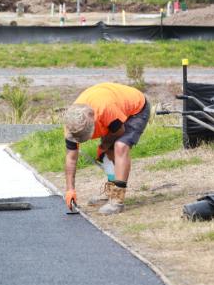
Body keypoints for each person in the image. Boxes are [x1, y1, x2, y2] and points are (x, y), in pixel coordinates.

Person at [64, 82, 150, 215]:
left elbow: (119, 131)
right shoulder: (71, 124)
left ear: (94, 123)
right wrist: (70, 190)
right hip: (113, 111)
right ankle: (110, 191)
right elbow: (71, 157)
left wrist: (104, 145)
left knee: (120, 146)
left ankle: (117, 201)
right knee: (107, 152)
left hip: (136, 109)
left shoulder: (104, 109)